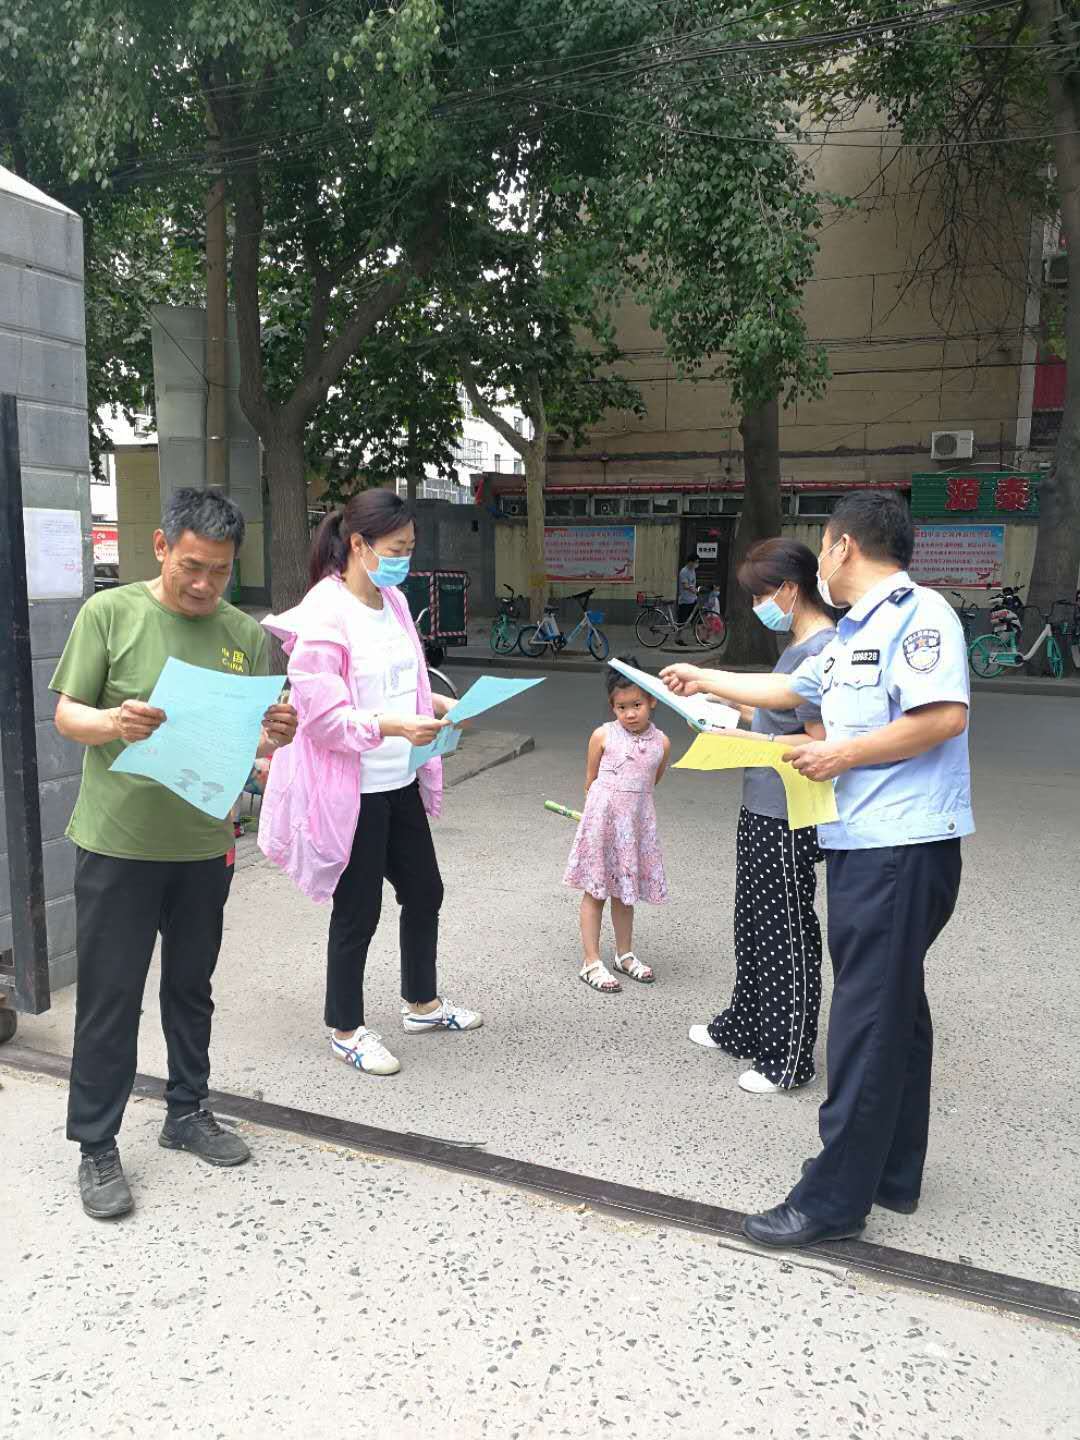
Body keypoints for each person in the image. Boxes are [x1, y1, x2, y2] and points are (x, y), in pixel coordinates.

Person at [662, 491, 971, 1248]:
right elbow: (789, 690)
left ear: (841, 547)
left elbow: (943, 716)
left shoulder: (921, 615)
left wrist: (842, 753)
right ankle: (890, 1171)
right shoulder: (853, 632)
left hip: (900, 847)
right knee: (897, 1012)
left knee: (865, 1021)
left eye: (824, 544)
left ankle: (832, 1201)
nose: (822, 556)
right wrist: (703, 678)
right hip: (865, 844)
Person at [50, 488, 298, 1220]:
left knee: (191, 988)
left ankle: (187, 1111)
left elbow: (249, 741)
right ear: (161, 547)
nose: (204, 584)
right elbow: (66, 715)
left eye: (220, 571)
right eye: (192, 566)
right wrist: (114, 723)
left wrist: (273, 735)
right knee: (111, 996)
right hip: (119, 843)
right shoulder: (110, 614)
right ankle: (97, 1145)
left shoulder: (243, 634)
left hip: (201, 846)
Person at [258, 489, 481, 1079]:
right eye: (397, 548)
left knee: (425, 890)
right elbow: (324, 719)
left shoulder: (395, 601)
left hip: (397, 778)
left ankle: (421, 1004)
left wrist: (437, 704)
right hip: (351, 792)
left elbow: (405, 680)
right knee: (358, 910)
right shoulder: (324, 615)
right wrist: (393, 725)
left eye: (410, 548)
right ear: (359, 545)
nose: (405, 559)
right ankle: (346, 1029)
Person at [688, 538, 835, 1094]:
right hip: (762, 804)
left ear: (790, 590)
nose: (756, 607)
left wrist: (744, 738)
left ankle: (787, 1056)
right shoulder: (799, 643)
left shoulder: (822, 648)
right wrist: (726, 708)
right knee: (751, 924)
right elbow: (778, 717)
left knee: (784, 932)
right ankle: (745, 1025)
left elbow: (819, 739)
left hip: (790, 811)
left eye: (760, 595)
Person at [563, 658, 671, 991]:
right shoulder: (602, 736)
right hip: (602, 824)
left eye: (637, 705)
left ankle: (624, 954)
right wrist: (600, 816)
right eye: (621, 707)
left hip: (634, 826)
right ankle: (591, 961)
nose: (630, 713)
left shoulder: (662, 743)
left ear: (652, 700)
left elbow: (651, 782)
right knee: (595, 891)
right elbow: (590, 780)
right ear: (612, 707)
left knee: (626, 893)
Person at [676, 554, 699, 644]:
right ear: (690, 562)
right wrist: (693, 590)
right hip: (685, 600)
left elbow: (693, 583)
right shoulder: (684, 571)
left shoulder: (693, 570)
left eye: (697, 562)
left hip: (693, 599)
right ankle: (678, 638)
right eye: (696, 562)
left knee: (696, 620)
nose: (697, 564)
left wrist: (695, 591)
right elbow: (685, 585)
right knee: (682, 621)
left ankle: (699, 638)